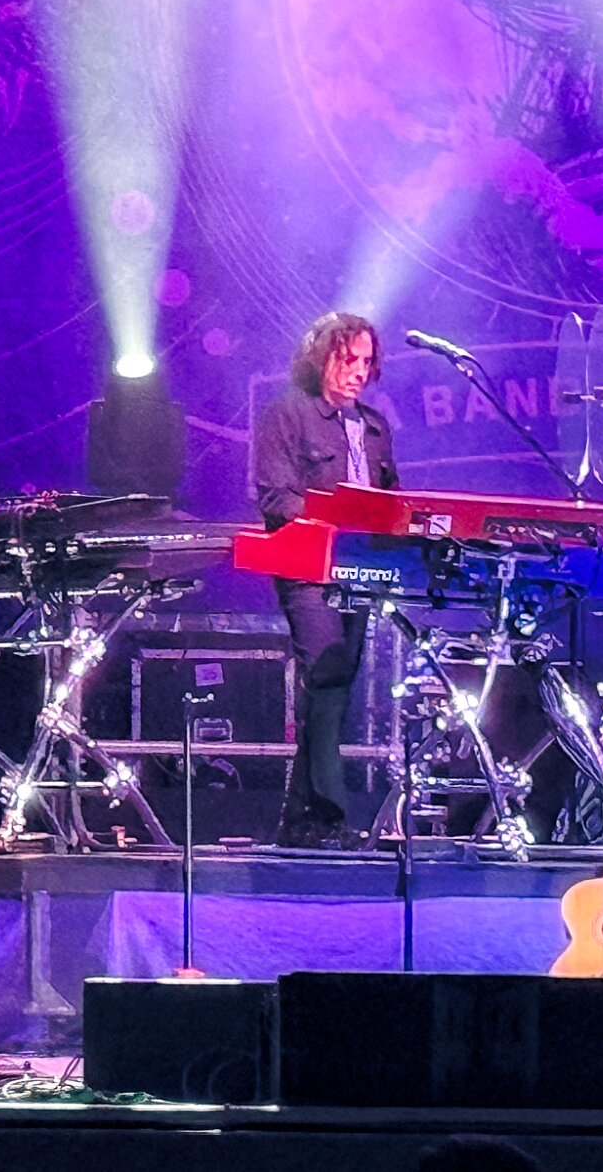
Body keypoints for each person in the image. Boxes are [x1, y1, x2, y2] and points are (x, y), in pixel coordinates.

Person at [252, 311, 400, 849]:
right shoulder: (287, 414)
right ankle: (332, 816)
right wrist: (336, 520)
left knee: (332, 691)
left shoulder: (375, 427)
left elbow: (392, 503)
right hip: (307, 568)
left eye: (366, 361)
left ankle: (299, 823)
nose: (359, 370)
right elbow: (276, 496)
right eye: (348, 358)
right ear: (321, 358)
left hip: (360, 570)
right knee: (328, 677)